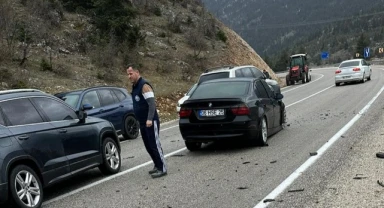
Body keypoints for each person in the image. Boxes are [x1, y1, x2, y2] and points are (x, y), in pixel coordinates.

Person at [126, 64, 167, 178]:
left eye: (131, 73)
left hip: (150, 121)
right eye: (128, 74)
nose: (129, 76)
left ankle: (162, 167)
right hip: (142, 122)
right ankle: (156, 165)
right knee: (148, 146)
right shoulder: (134, 87)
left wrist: (149, 119)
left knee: (154, 145)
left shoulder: (144, 85)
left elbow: (152, 104)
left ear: (137, 72)